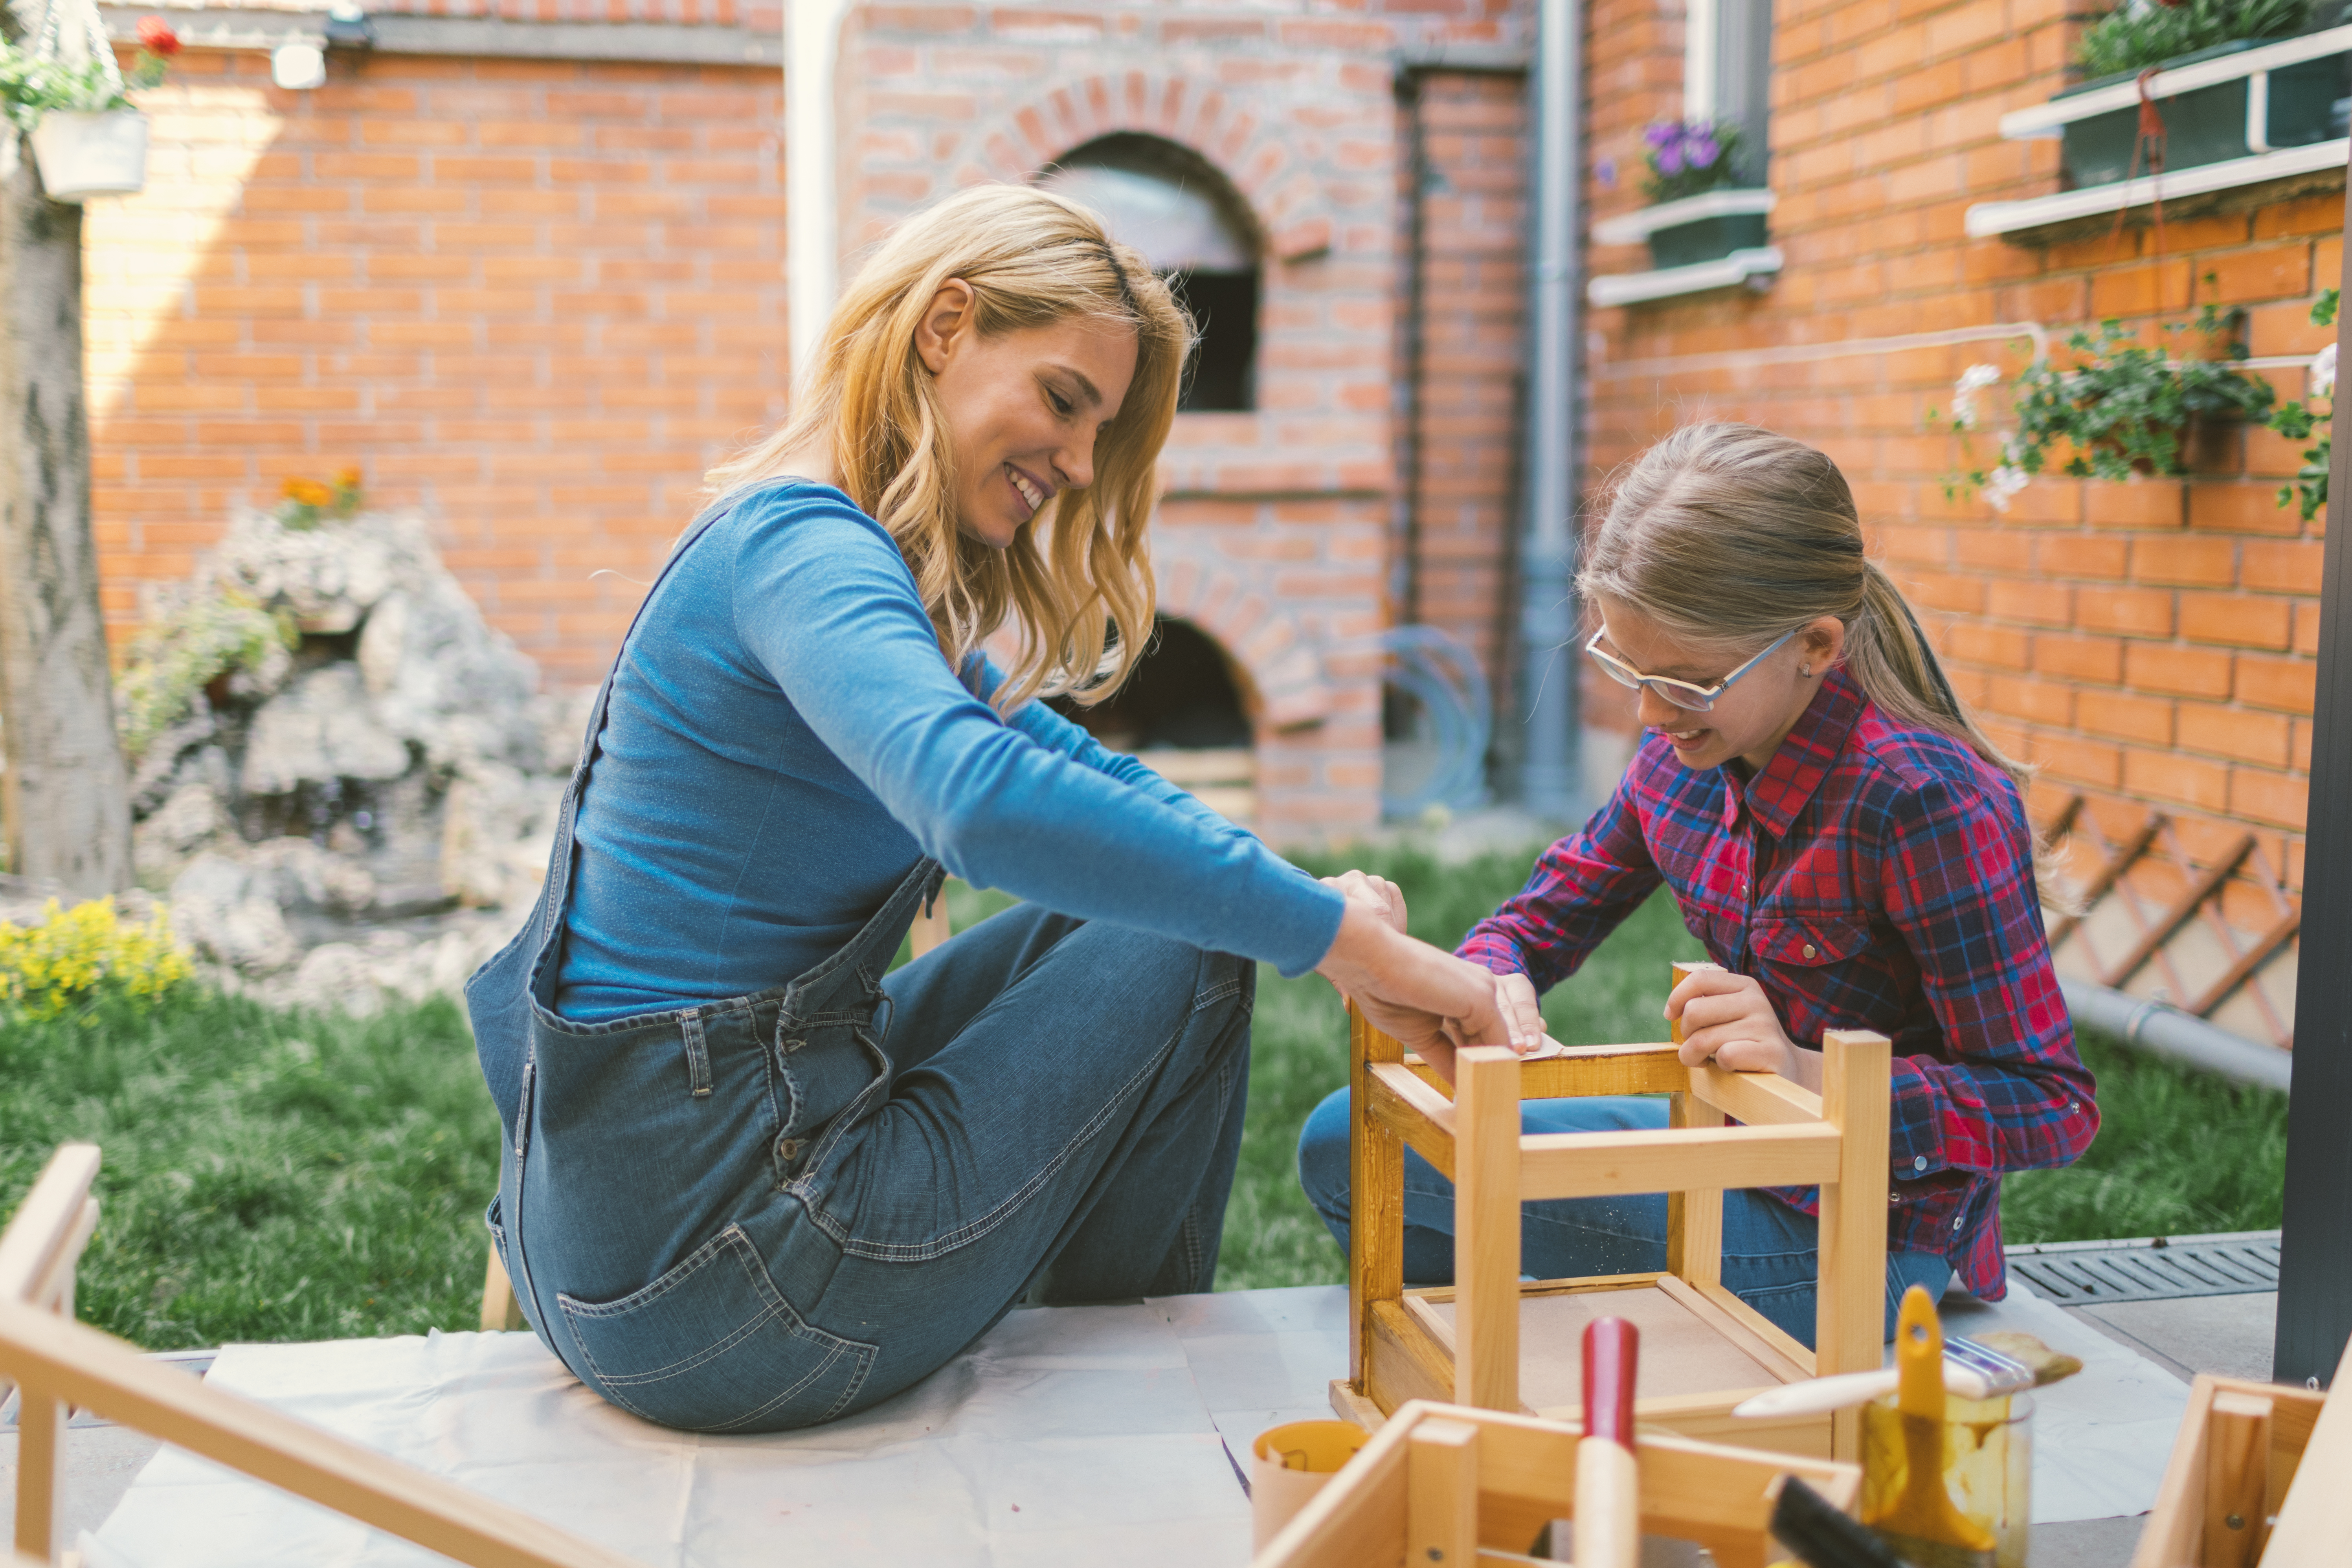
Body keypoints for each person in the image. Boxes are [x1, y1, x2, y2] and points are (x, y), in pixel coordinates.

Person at [464, 184, 1505, 1434]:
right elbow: (977, 797)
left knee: (1154, 903)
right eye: (1064, 400)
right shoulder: (807, 548)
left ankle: (1098, 1336)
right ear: (945, 326)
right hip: (723, 1295)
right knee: (1198, 929)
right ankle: (1130, 1377)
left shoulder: (812, 555)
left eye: (1098, 429)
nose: (1076, 465)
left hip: (621, 1249)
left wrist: (1335, 917)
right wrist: (1330, 939)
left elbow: (1090, 778)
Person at [1297, 422, 2100, 1343]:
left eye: (1685, 683)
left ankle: (1539, 1370)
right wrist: (1491, 977)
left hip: (1859, 1236)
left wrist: (1809, 1078)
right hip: (1731, 1154)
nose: (1646, 713)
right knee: (1345, 1142)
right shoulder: (1681, 754)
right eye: (1624, 667)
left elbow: (2050, 1104)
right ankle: (1503, 1350)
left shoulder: (1921, 799)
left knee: (1414, 1173)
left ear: (1814, 644)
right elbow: (1540, 918)